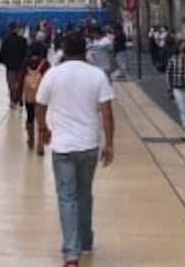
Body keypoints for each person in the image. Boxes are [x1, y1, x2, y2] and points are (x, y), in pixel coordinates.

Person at [35, 31, 115, 267]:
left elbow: (40, 105)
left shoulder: (52, 74)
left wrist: (43, 129)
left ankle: (71, 253)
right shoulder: (97, 75)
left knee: (66, 197)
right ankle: (85, 240)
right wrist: (109, 143)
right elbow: (107, 113)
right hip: (88, 144)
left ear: (64, 50)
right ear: (85, 51)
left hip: (62, 146)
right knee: (84, 193)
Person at [19, 40, 52, 154]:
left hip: (29, 96)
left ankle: (31, 139)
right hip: (42, 96)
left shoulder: (25, 62)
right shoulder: (45, 64)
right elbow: (50, 80)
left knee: (30, 117)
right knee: (41, 118)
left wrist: (17, 96)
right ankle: (40, 145)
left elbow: (21, 79)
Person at [166, 38, 185, 139]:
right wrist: (169, 88)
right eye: (182, 45)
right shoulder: (173, 59)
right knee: (182, 109)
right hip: (177, 88)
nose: (184, 47)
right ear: (178, 47)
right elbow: (168, 74)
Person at [0, 22, 29, 108]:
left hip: (10, 67)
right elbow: (26, 53)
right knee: (19, 84)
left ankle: (12, 101)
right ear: (16, 29)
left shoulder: (5, 40)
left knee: (11, 85)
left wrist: (4, 62)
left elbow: (1, 53)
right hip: (20, 66)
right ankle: (19, 99)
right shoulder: (23, 40)